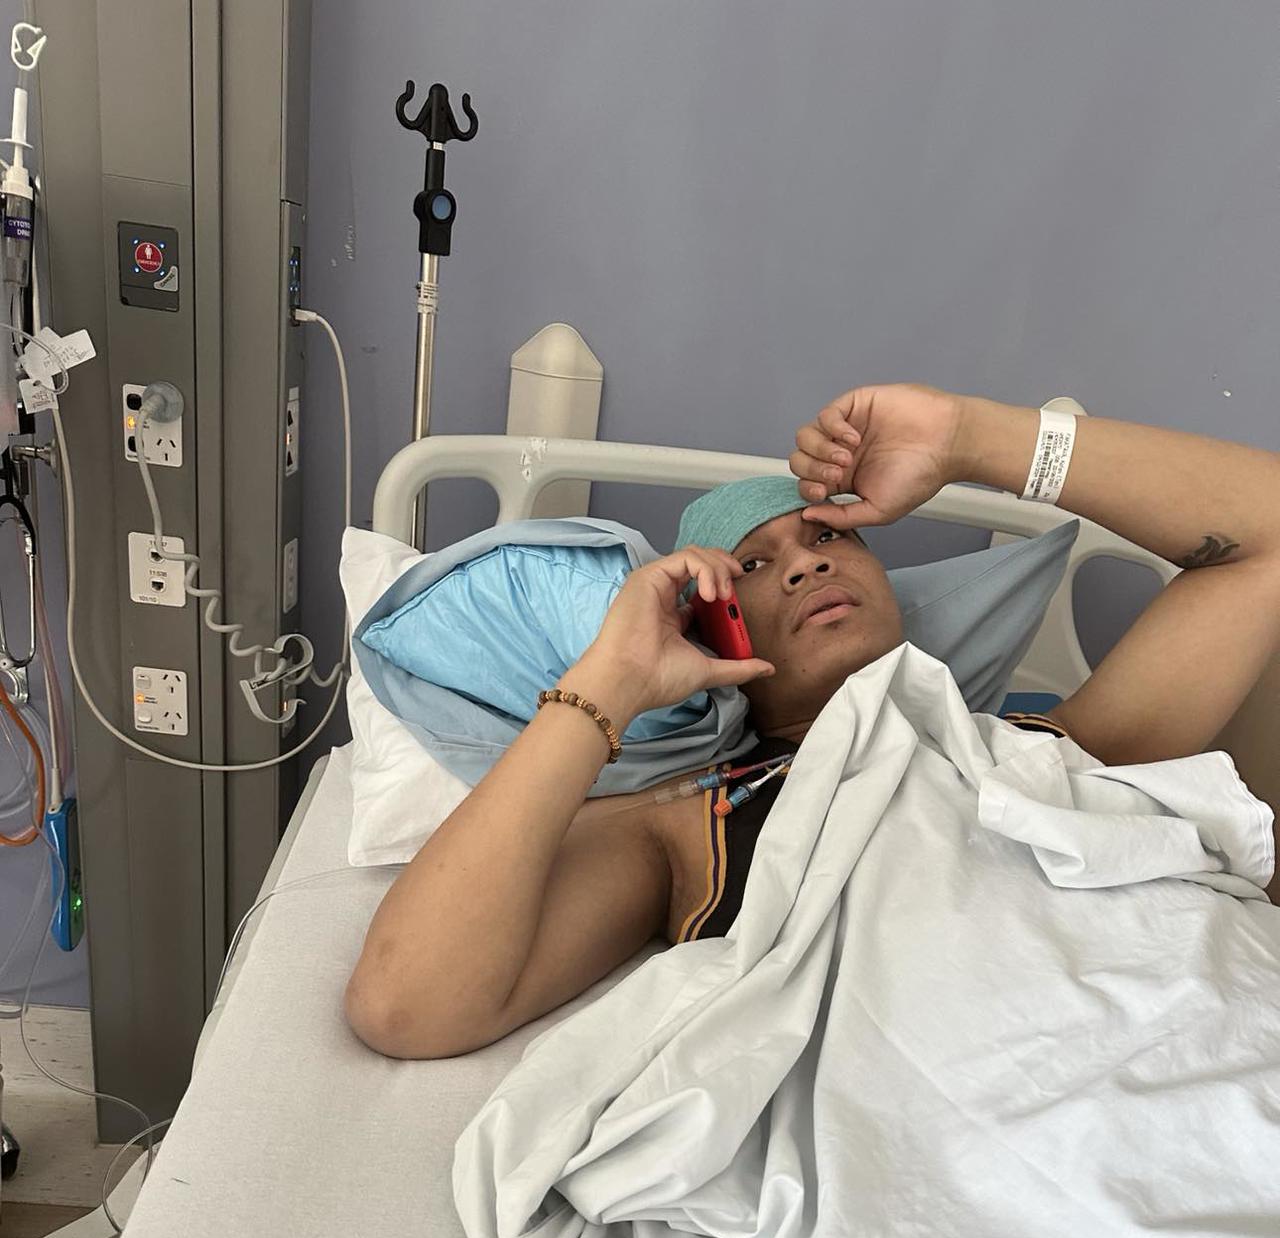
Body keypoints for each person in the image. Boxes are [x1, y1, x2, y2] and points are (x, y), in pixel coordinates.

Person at [345, 382, 1280, 1060]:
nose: (806, 563)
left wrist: (970, 437)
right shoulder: (695, 824)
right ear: (707, 632)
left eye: (829, 535)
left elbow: (1267, 537)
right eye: (751, 566)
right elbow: (406, 1005)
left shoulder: (1057, 753)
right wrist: (613, 679)